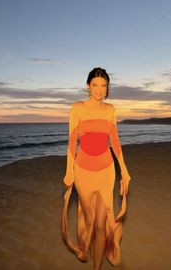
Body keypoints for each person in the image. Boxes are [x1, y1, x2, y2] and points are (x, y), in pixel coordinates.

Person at [61, 67, 131, 270]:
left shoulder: (110, 110)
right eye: (95, 85)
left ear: (107, 88)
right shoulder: (77, 108)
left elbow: (115, 142)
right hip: (82, 171)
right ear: (88, 86)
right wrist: (69, 171)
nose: (99, 90)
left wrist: (124, 170)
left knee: (101, 224)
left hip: (106, 171)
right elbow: (72, 142)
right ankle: (89, 250)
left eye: (103, 86)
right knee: (89, 221)